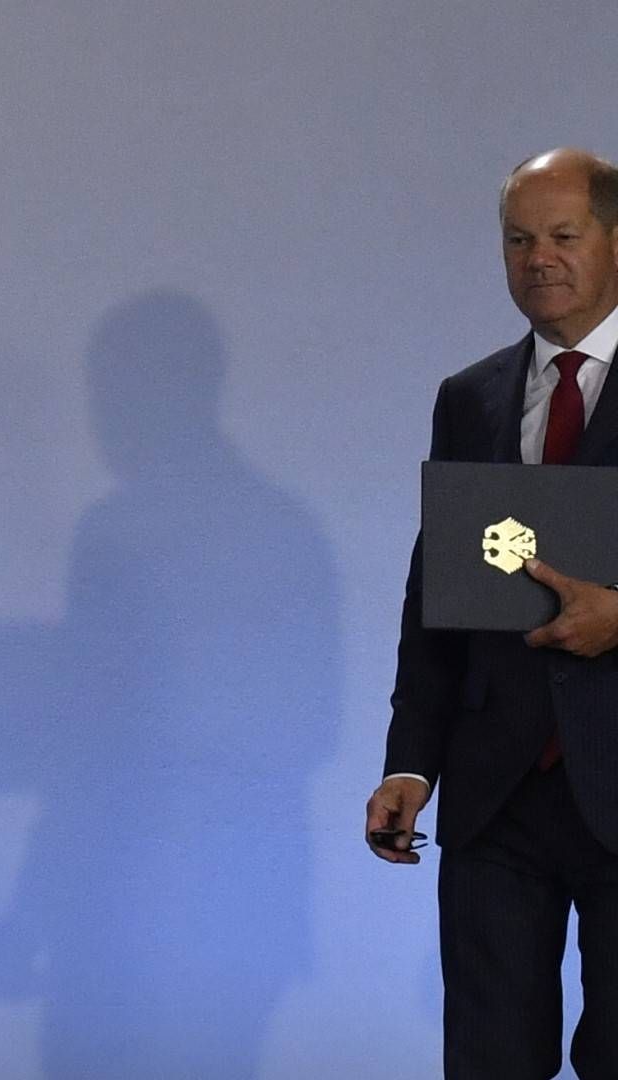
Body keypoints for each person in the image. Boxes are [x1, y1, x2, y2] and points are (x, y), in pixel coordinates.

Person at [367, 147, 618, 1079]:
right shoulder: (468, 398)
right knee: (488, 1058)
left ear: (615, 242)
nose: (538, 259)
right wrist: (410, 764)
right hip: (495, 798)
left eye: (562, 236)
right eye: (518, 240)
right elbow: (438, 590)